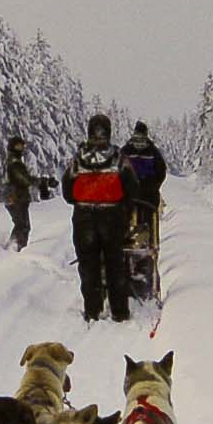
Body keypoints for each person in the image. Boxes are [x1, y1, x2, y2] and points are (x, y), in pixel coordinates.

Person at [64, 116, 133, 321]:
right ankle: (119, 312)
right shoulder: (119, 158)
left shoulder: (78, 159)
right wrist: (123, 210)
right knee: (115, 266)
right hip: (112, 218)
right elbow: (131, 189)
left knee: (88, 267)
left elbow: (68, 193)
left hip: (84, 219)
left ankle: (92, 311)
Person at [118, 122, 168, 285]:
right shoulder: (130, 152)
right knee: (130, 232)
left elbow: (160, 173)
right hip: (137, 199)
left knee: (144, 233)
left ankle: (145, 264)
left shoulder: (145, 152)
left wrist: (147, 186)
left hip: (144, 200)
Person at [2, 135, 36, 250]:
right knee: (23, 225)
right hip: (16, 197)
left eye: (22, 146)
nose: (21, 149)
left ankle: (12, 247)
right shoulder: (14, 163)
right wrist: (41, 182)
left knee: (20, 224)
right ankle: (16, 249)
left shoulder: (10, 161)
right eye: (18, 146)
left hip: (14, 197)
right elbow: (24, 179)